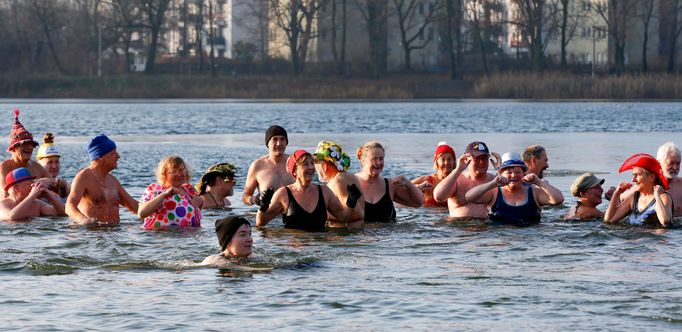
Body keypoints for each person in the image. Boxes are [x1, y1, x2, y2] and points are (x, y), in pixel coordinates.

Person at [256, 150, 352, 231]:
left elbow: (344, 217)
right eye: (305, 164)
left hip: (320, 248)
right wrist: (263, 206)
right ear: (294, 171)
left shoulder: (324, 191)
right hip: (293, 248)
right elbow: (261, 223)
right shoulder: (284, 194)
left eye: (312, 163)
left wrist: (351, 201)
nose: (310, 167)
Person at [465, 152, 564, 226]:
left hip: (531, 240)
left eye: (518, 172)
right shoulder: (494, 193)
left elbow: (559, 199)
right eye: (509, 172)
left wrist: (538, 182)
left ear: (524, 174)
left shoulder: (534, 192)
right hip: (501, 240)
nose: (513, 175)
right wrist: (491, 184)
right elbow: (469, 197)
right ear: (501, 174)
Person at [65, 134, 139, 225]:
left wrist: (158, 203)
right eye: (113, 153)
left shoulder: (113, 181)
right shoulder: (83, 177)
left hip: (116, 235)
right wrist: (84, 220)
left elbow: (135, 206)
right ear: (100, 157)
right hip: (90, 235)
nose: (118, 156)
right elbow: (69, 206)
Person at [355, 141, 424, 223]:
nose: (378, 163)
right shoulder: (351, 182)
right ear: (363, 160)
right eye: (374, 159)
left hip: (388, 235)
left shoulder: (390, 185)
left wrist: (408, 183)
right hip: (360, 235)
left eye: (381, 159)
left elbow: (419, 203)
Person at [604, 153, 673, 228]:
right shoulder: (634, 198)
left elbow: (665, 221)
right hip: (634, 237)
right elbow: (609, 220)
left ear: (652, 177)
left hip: (654, 238)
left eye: (637, 175)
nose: (633, 180)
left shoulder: (664, 197)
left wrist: (657, 196)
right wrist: (616, 194)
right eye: (633, 175)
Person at [433, 141, 497, 219]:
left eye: (484, 158)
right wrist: (458, 170)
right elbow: (438, 197)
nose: (481, 162)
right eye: (477, 158)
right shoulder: (457, 179)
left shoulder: (495, 181)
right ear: (467, 159)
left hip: (487, 227)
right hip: (458, 227)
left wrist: (501, 172)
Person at [138, 156, 202, 229]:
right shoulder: (155, 190)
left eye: (181, 170)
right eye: (174, 171)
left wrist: (201, 202)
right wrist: (164, 195)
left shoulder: (189, 190)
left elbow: (195, 212)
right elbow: (141, 214)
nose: (179, 174)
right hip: (163, 237)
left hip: (189, 238)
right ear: (164, 174)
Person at [313, 140, 364, 228]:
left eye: (316, 163)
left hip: (343, 236)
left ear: (324, 165)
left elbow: (348, 215)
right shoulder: (350, 177)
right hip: (354, 233)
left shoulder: (338, 181)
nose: (314, 167)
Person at [0, 109, 52, 196]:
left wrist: (47, 181)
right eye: (24, 144)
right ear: (13, 149)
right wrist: (32, 186)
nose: (29, 147)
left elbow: (54, 183)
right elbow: (6, 193)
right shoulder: (4, 167)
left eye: (31, 144)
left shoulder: (36, 167)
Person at [242, 125, 294, 207]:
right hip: (268, 215)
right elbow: (245, 196)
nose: (279, 143)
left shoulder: (295, 163)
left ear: (286, 142)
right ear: (268, 143)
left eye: (282, 139)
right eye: (275, 139)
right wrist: (254, 199)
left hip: (292, 214)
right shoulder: (257, 166)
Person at [0, 168, 65, 221]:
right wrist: (31, 195)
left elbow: (62, 213)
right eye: (29, 184)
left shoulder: (37, 204)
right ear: (16, 188)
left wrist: (49, 196)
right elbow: (10, 217)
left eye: (32, 183)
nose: (33, 186)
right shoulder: (2, 204)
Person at [412, 142, 455, 208]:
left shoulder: (459, 180)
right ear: (437, 163)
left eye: (449, 159)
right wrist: (419, 187)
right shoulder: (427, 180)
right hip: (430, 216)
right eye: (443, 160)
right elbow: (402, 189)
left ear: (454, 162)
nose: (446, 163)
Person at [36, 133, 70, 199]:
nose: (54, 166)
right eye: (50, 162)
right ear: (38, 164)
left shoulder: (62, 184)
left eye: (57, 162)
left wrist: (63, 188)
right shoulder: (35, 185)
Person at [656, 142, 681, 217]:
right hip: (653, 228)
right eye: (671, 163)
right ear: (659, 163)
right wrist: (618, 193)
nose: (675, 167)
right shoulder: (646, 185)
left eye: (678, 163)